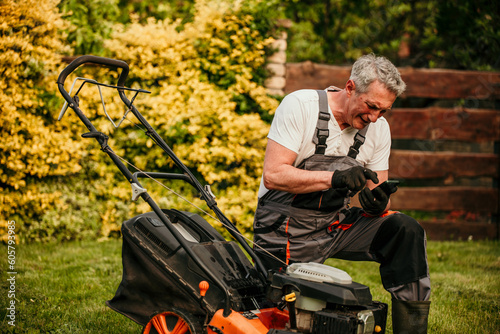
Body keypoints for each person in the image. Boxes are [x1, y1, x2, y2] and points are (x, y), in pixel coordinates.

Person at [253, 54, 430, 333]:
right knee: (279, 311)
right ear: (350, 88)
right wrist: (334, 178)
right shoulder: (300, 106)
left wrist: (378, 202)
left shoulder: (378, 129)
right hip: (285, 226)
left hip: (336, 224)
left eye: (383, 111)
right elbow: (274, 175)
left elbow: (377, 192)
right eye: (371, 106)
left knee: (404, 230)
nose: (374, 118)